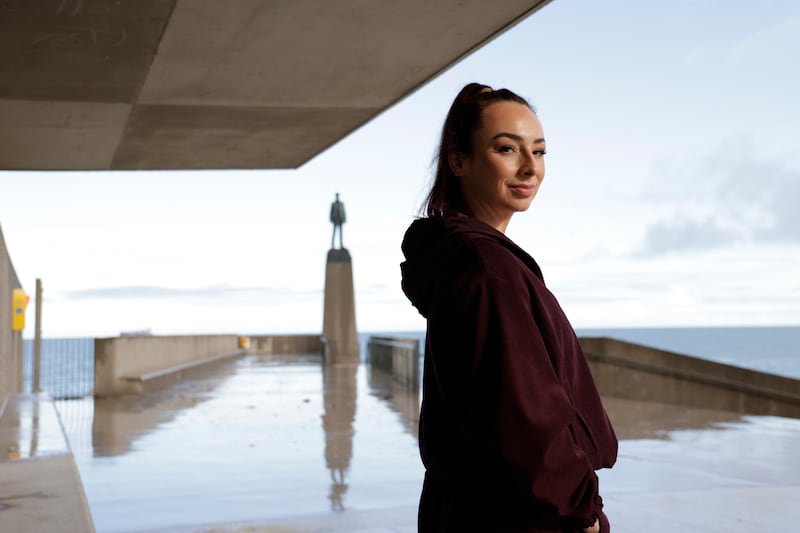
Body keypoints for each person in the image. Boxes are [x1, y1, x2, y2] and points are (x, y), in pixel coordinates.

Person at [400, 83, 618, 533]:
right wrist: (580, 512)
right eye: (507, 148)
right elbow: (525, 413)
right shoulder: (487, 268)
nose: (529, 168)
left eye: (539, 152)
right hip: (522, 515)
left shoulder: (466, 257)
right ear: (458, 161)